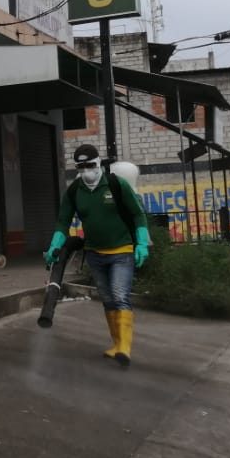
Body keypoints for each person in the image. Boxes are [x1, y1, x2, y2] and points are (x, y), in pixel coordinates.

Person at [45, 144, 151, 369]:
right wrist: (55, 245)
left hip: (122, 251)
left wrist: (142, 243)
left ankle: (124, 347)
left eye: (90, 165)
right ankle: (116, 344)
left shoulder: (116, 184)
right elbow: (63, 221)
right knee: (107, 298)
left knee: (120, 295)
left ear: (99, 163)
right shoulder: (74, 191)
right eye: (81, 167)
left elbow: (137, 214)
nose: (86, 171)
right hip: (94, 253)